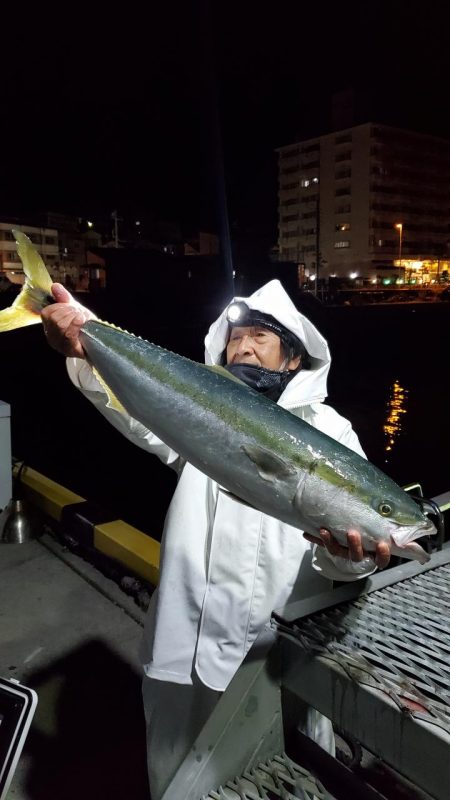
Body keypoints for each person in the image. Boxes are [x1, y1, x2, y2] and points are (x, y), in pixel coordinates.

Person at [41, 278, 390, 800]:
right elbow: (135, 412)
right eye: (235, 337)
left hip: (274, 659)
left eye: (260, 338)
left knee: (281, 783)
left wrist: (350, 560)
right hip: (182, 646)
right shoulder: (199, 418)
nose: (243, 346)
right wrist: (84, 347)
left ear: (293, 358)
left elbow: (349, 557)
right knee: (173, 778)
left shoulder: (331, 433)